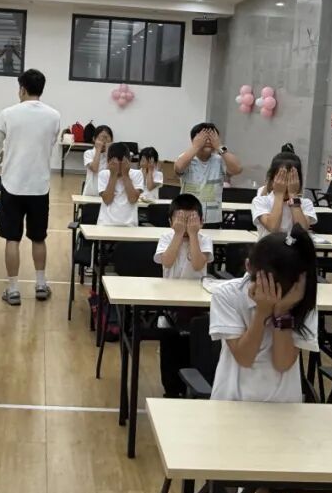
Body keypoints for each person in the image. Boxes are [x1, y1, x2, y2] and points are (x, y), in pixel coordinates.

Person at [196, 228, 318, 493]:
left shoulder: (301, 300)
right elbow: (245, 356)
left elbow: (282, 362)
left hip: (281, 413)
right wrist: (262, 311)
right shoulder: (227, 294)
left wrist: (283, 312)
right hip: (232, 408)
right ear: (248, 267)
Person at [0, 69, 61, 306]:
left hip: (12, 184)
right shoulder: (54, 116)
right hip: (39, 186)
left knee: (12, 238)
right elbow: (50, 143)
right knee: (39, 238)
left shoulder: (7, 114)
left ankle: (13, 289)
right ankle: (40, 284)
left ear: (22, 89)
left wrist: (6, 153)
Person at [154, 194, 213, 398]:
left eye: (192, 220)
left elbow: (198, 264)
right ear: (170, 221)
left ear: (201, 222)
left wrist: (194, 236)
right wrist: (178, 235)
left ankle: (194, 385)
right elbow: (167, 261)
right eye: (181, 220)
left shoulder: (204, 240)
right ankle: (171, 389)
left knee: (195, 343)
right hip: (170, 304)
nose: (186, 225)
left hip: (197, 305)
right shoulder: (166, 238)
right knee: (170, 343)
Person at [174, 122, 242, 226]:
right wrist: (196, 147)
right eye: (204, 138)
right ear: (194, 140)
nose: (208, 141)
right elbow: (178, 168)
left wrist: (219, 146)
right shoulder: (187, 158)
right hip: (187, 217)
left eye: (212, 138)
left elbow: (237, 169)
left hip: (213, 219)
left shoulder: (220, 160)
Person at [251, 152, 317, 237]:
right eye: (282, 178)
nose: (285, 184)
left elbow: (302, 230)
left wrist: (293, 195)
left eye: (292, 179)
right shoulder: (260, 201)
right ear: (272, 179)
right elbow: (273, 228)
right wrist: (279, 195)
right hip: (270, 245)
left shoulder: (306, 203)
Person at [96, 143, 145, 227]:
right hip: (105, 224)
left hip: (129, 225)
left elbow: (133, 199)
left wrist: (125, 175)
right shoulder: (103, 174)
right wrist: (113, 175)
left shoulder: (137, 174)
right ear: (108, 161)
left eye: (121, 162)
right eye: (114, 162)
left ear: (128, 161)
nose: (118, 165)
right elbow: (107, 200)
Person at [81, 125, 113, 196]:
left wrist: (108, 152)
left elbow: (109, 172)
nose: (104, 142)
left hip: (107, 193)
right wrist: (98, 150)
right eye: (101, 138)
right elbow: (94, 169)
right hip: (91, 193)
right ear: (94, 139)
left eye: (106, 138)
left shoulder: (113, 156)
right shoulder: (88, 153)